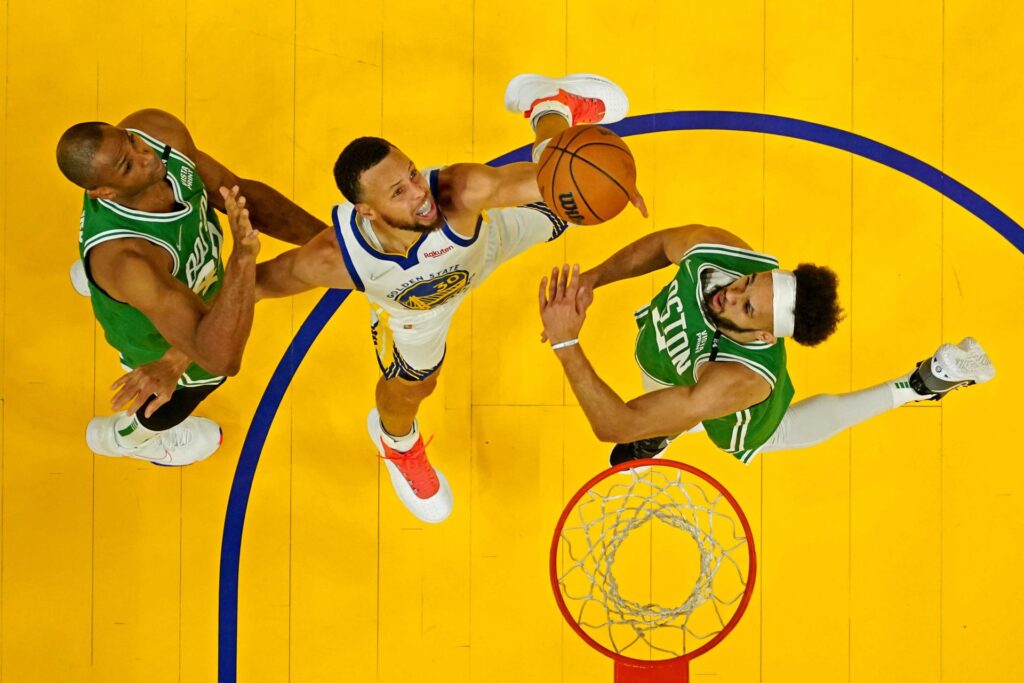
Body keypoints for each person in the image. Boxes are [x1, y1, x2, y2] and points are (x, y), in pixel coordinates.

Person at [255, 73, 645, 523]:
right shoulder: (335, 260)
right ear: (366, 211)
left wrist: (607, 179)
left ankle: (548, 106)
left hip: (488, 244)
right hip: (417, 311)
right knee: (415, 384)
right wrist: (193, 343)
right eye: (399, 192)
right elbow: (257, 286)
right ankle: (398, 444)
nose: (420, 194)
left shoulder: (460, 190)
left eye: (412, 174)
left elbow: (550, 179)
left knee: (564, 196)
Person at [537, 224, 995, 464]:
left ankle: (918, 386)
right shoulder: (721, 253)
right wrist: (592, 279)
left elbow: (616, 425)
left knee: (784, 430)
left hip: (715, 399)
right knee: (670, 410)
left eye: (747, 307)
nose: (731, 294)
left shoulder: (739, 381)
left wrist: (565, 341)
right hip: (668, 362)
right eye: (748, 282)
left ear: (762, 335)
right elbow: (661, 245)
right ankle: (663, 429)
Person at [57, 109, 328, 465]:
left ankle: (96, 279)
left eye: (132, 141)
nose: (145, 155)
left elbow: (238, 193)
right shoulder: (128, 261)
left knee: (137, 272)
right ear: (104, 193)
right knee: (181, 388)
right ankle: (128, 440)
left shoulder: (156, 131)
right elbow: (218, 356)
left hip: (164, 269)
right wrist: (241, 260)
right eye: (128, 165)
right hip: (153, 328)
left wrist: (328, 238)